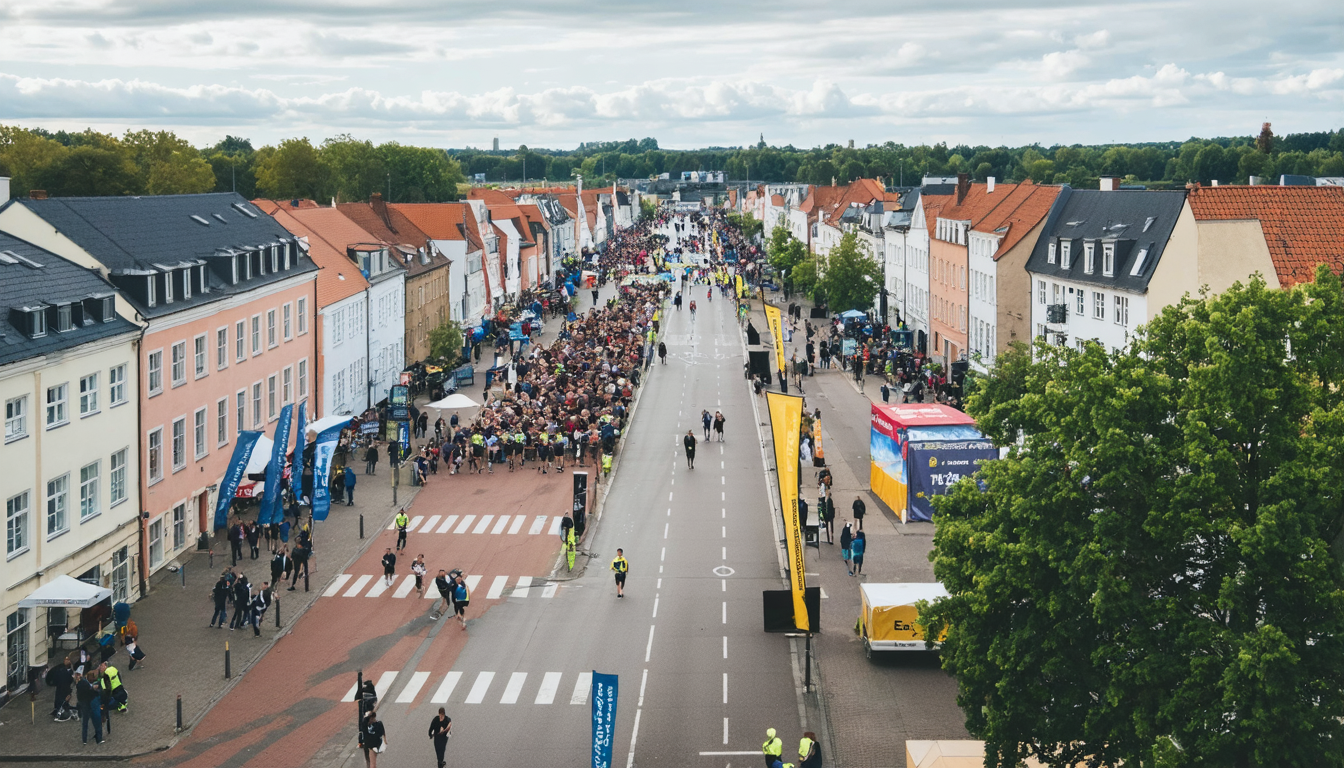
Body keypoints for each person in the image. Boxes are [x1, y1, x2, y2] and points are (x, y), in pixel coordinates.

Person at [77, 669, 103, 744]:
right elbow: (90, 693)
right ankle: (98, 738)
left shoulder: (81, 683)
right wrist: (94, 689)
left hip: (83, 705)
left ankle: (84, 740)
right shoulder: (86, 685)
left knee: (85, 723)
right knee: (95, 721)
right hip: (88, 705)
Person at [48, 654, 74, 721]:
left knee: (62, 700)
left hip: (64, 688)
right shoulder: (61, 670)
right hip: (61, 687)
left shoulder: (68, 671)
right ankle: (59, 710)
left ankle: (62, 710)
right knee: (60, 700)